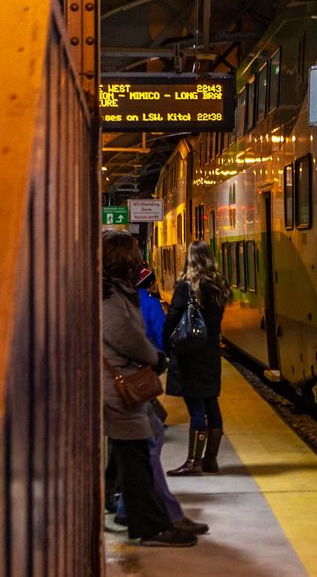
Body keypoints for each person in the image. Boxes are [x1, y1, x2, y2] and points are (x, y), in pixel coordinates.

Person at [101, 229, 196, 547]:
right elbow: (126, 337)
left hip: (121, 388)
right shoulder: (110, 297)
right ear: (124, 259)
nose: (140, 259)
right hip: (120, 389)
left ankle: (155, 516)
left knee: (137, 454)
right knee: (138, 457)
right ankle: (151, 525)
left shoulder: (113, 291)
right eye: (135, 254)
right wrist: (154, 356)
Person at [114, 267, 209, 535]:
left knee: (135, 447)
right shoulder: (129, 300)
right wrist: (157, 358)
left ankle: (137, 509)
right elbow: (143, 340)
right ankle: (154, 515)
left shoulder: (114, 297)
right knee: (149, 442)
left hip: (119, 387)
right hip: (126, 387)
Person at [164, 241, 230, 476]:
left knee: (195, 408)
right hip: (211, 353)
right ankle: (210, 460)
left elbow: (171, 319)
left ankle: (193, 461)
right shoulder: (218, 286)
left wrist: (166, 345)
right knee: (211, 402)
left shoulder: (187, 287)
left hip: (190, 354)